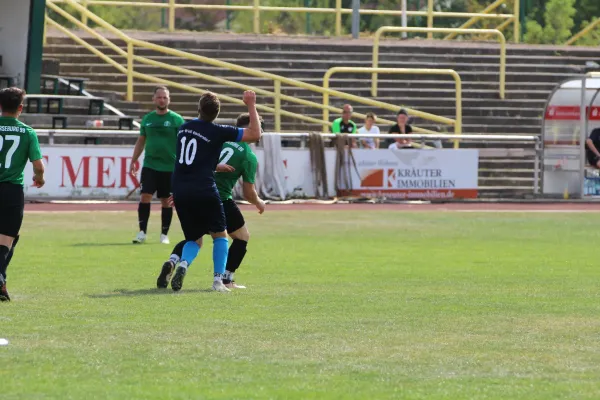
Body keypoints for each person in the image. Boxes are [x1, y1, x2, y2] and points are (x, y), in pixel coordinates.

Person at [166, 91, 261, 293]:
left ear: (198, 109)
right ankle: (218, 281)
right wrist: (251, 104)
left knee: (193, 239)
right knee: (220, 235)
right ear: (217, 113)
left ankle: (182, 263)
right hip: (205, 189)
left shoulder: (183, 129)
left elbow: (191, 160)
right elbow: (254, 134)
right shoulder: (218, 131)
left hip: (181, 189)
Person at [0, 87, 45, 302]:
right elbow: (38, 165)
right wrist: (39, 178)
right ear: (20, 108)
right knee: (8, 238)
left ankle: (1, 280)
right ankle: (0, 278)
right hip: (11, 190)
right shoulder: (27, 132)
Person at [130, 86, 185, 245]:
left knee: (166, 201)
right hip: (150, 165)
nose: (162, 100)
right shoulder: (147, 119)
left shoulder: (177, 120)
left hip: (170, 167)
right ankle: (142, 232)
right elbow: (141, 141)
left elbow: (183, 143)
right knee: (145, 196)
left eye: (165, 97)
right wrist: (134, 160)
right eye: (159, 97)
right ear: (153, 99)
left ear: (169, 100)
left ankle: (164, 234)